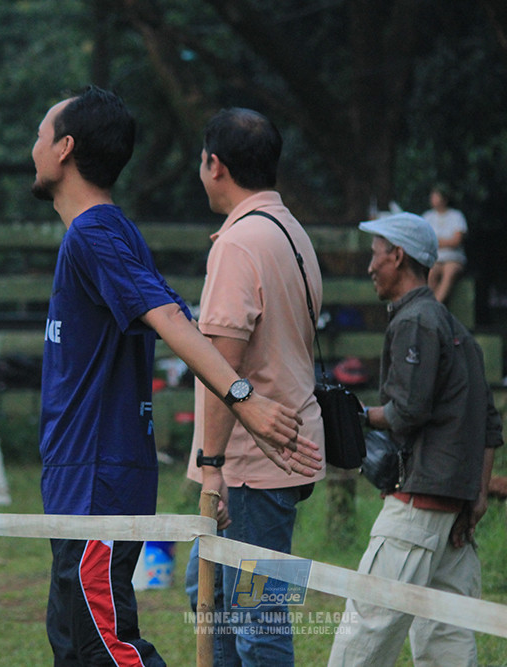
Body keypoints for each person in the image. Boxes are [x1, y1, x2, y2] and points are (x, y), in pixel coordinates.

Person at [29, 87, 322, 667]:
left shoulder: (97, 234)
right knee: (72, 642)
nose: (31, 149)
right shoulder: (102, 234)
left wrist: (243, 398)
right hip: (80, 477)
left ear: (64, 149)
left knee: (105, 646)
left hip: (98, 480)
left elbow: (172, 319)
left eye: (39, 137)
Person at [183, 107, 326, 666]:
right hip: (281, 446)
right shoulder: (291, 231)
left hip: (249, 460)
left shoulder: (239, 244)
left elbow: (222, 367)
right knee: (211, 599)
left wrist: (211, 465)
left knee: (253, 618)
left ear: (215, 165)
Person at [328, 212, 503, 667]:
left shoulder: (415, 321)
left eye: (375, 254)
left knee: (365, 630)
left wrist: (357, 415)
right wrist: (478, 496)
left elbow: (407, 412)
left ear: (398, 256)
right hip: (454, 515)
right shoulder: (457, 329)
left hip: (416, 508)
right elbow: (489, 424)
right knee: (447, 643)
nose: (370, 266)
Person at [421, 184, 467, 303]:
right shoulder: (427, 216)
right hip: (435, 258)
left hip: (453, 258)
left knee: (449, 273)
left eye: (436, 196)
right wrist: (444, 241)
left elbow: (456, 241)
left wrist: (437, 241)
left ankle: (436, 306)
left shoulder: (456, 216)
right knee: (430, 275)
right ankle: (432, 305)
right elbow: (424, 240)